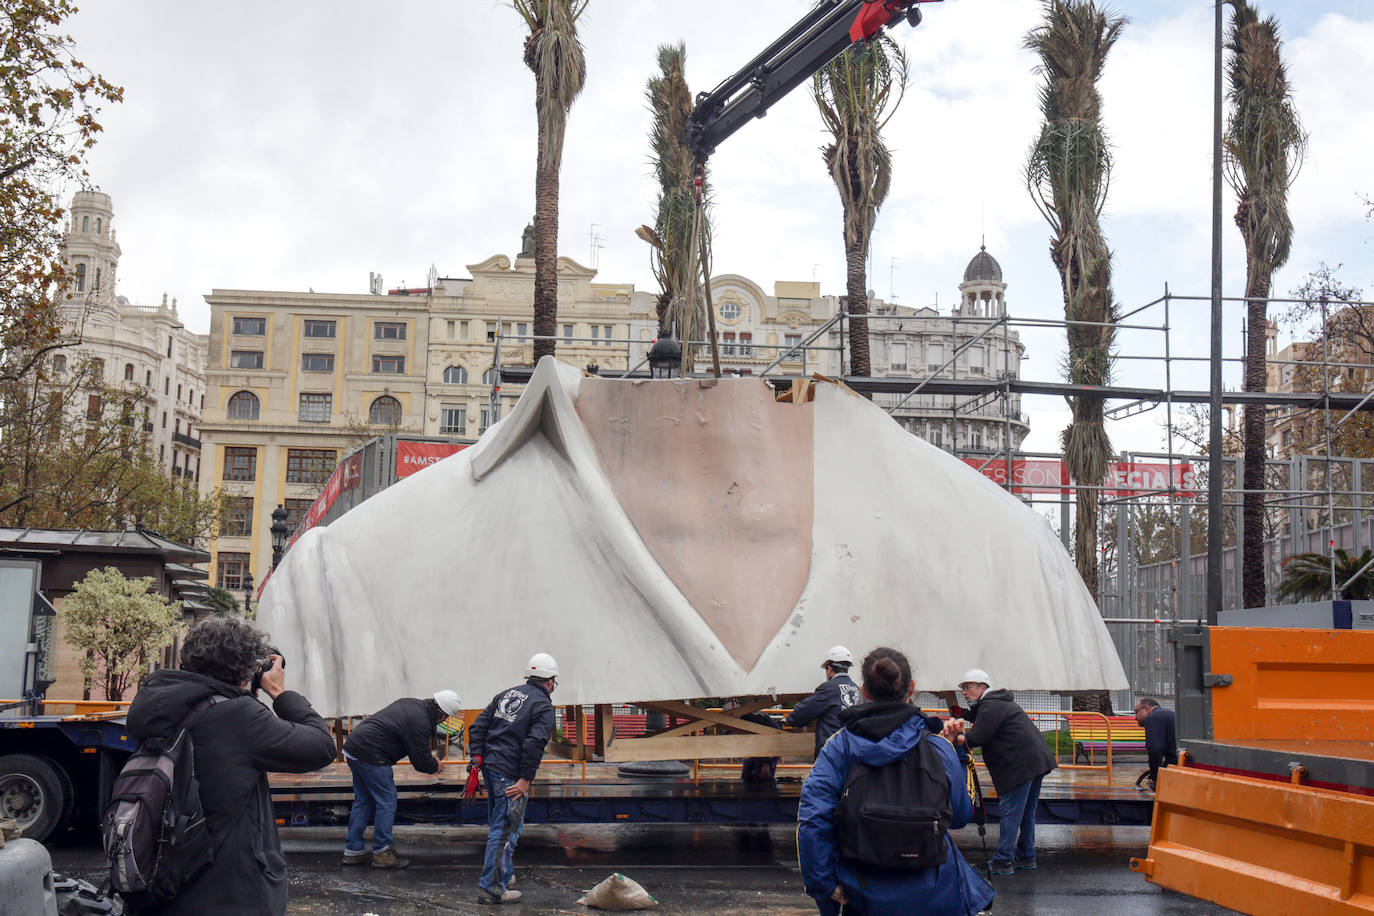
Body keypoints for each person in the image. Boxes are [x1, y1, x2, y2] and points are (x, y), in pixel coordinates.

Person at [125, 615, 336, 914]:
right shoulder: (239, 715)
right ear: (243, 668)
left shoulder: (156, 704)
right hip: (228, 894)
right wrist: (278, 692)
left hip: (165, 884)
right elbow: (321, 746)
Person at [798, 647, 996, 916]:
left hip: (861, 891)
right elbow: (960, 815)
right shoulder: (938, 748)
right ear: (911, 688)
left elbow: (813, 819)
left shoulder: (839, 746)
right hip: (934, 892)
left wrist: (823, 883)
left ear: (864, 690)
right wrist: (955, 754)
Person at [944, 668, 1056, 877]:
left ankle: (1003, 861)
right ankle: (1026, 855)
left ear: (982, 687)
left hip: (1020, 765)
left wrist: (952, 736)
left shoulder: (991, 705)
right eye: (963, 689)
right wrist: (958, 712)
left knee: (1011, 812)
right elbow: (979, 717)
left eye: (968, 688)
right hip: (1036, 761)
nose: (965, 692)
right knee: (1025, 813)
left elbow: (977, 737)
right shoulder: (995, 703)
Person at [467, 652, 558, 905]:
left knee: (503, 826)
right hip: (510, 774)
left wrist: (477, 755)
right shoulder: (543, 706)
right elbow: (534, 743)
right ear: (549, 681)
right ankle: (492, 888)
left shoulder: (507, 694)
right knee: (505, 830)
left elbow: (478, 725)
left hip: (493, 767)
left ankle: (504, 873)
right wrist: (526, 779)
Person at [341, 689, 463, 867]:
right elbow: (419, 760)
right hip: (372, 755)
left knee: (364, 801)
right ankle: (382, 852)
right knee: (387, 801)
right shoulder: (420, 721)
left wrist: (428, 759)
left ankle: (353, 851)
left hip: (354, 748)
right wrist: (434, 765)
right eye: (445, 718)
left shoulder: (413, 704)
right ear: (442, 714)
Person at [784, 646, 863, 757]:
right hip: (854, 751)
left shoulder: (828, 688)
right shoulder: (857, 689)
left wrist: (788, 720)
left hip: (832, 753)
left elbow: (804, 712)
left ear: (829, 669)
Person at [1134, 697, 1177, 791]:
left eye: (1136, 712)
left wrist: (1154, 776)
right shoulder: (1170, 714)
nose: (1135, 718)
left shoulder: (1152, 718)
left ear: (1146, 709)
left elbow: (1155, 749)